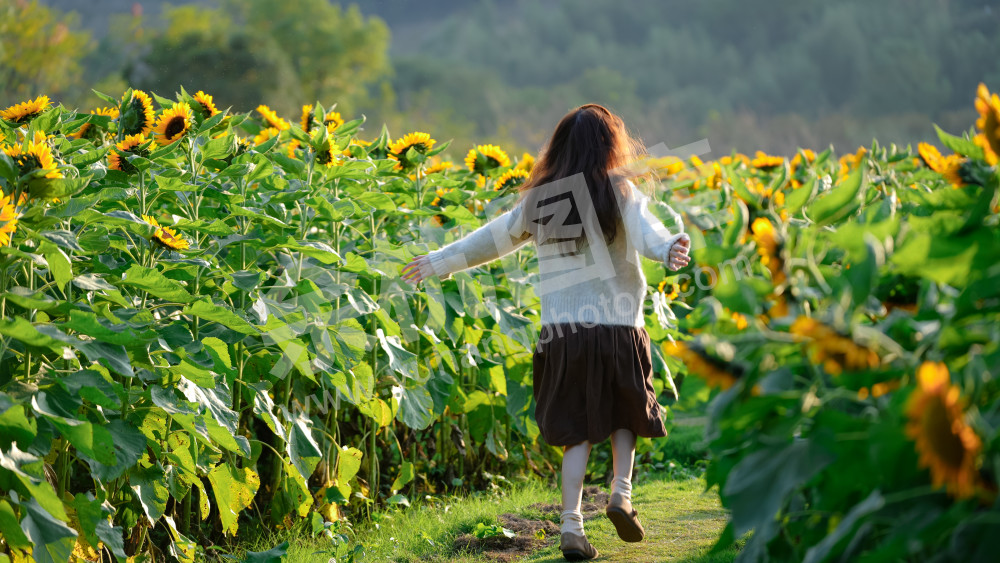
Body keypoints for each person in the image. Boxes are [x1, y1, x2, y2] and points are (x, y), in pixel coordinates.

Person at [401, 104, 691, 561]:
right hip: (618, 328)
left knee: (575, 430)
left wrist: (438, 261)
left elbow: (490, 239)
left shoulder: (540, 200)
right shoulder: (622, 192)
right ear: (610, 145)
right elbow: (647, 232)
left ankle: (572, 524)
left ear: (559, 147)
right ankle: (621, 493)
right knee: (625, 416)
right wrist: (670, 247)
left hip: (565, 334)